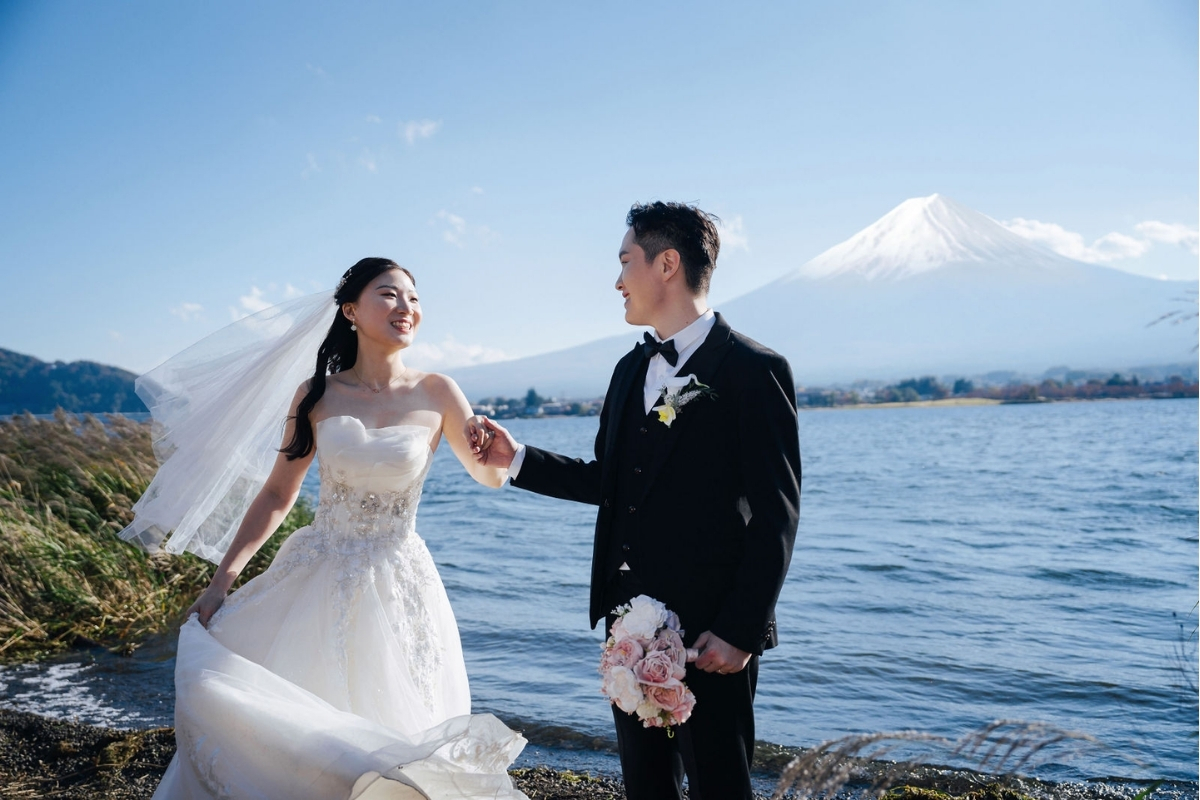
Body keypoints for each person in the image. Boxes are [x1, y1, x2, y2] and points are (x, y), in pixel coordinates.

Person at [123, 258, 528, 799]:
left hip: (399, 575)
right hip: (318, 569)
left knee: (401, 719)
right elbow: (276, 493)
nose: (405, 307)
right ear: (351, 311)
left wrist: (498, 454)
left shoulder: (437, 391)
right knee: (302, 719)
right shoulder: (316, 394)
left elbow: (485, 475)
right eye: (389, 295)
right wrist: (223, 580)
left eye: (413, 298)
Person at [468, 202, 801, 800]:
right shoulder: (628, 370)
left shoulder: (754, 370)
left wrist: (741, 631)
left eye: (626, 262)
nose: (617, 281)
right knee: (645, 787)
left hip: (712, 638)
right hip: (629, 626)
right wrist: (515, 458)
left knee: (720, 785)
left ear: (667, 263)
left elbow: (778, 514)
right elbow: (610, 481)